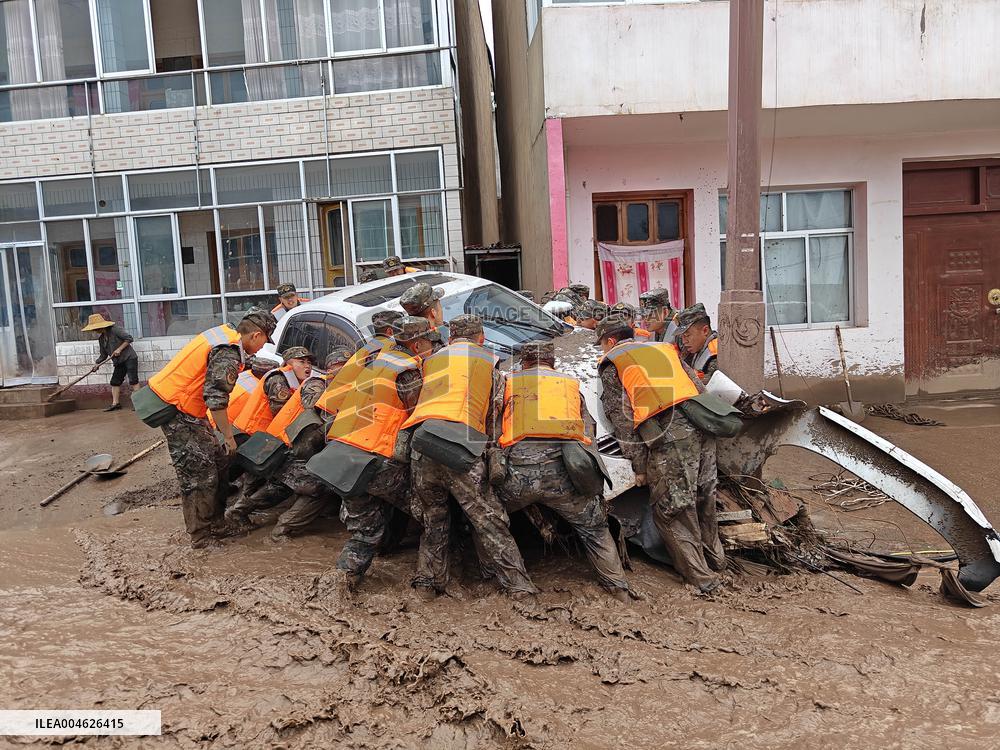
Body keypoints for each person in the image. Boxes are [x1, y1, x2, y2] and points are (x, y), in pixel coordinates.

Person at [403, 314, 539, 601]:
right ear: (480, 337)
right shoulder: (488, 360)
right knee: (489, 519)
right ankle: (519, 588)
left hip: (423, 443)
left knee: (433, 519)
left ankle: (427, 585)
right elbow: (495, 413)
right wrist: (491, 452)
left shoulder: (432, 360)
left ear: (451, 338)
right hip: (460, 443)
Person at [595, 316, 725, 592]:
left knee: (672, 510)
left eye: (601, 344)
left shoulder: (614, 362)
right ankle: (717, 561)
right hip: (702, 428)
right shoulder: (663, 349)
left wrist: (640, 466)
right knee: (704, 498)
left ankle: (703, 580)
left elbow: (624, 422)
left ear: (610, 341)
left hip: (671, 436)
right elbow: (698, 389)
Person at [497, 341, 633, 601]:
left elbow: (492, 431)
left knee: (490, 520)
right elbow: (588, 433)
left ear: (524, 363)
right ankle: (618, 588)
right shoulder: (569, 385)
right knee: (595, 529)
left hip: (518, 477)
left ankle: (517, 588)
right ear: (553, 363)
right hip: (564, 479)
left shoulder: (507, 384)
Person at [146, 308, 276, 548]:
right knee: (199, 475)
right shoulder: (229, 351)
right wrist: (228, 436)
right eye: (265, 341)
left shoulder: (226, 335)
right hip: (178, 411)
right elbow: (215, 398)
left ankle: (216, 523)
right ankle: (201, 537)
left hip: (188, 410)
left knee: (219, 462)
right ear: (256, 335)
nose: (261, 347)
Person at [326, 316, 436, 589]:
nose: (432, 349)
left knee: (365, 532)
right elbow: (417, 416)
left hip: (342, 456)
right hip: (375, 460)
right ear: (418, 343)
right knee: (433, 512)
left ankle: (341, 583)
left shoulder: (374, 362)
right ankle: (432, 580)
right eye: (430, 344)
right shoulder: (408, 370)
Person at [226, 347, 354, 541]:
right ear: (330, 369)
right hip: (282, 447)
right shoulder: (316, 385)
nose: (307, 366)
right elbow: (316, 406)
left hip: (286, 447)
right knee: (318, 488)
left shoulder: (329, 386)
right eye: (342, 367)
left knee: (281, 487)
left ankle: (237, 512)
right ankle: (282, 530)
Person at [314, 310, 403, 423]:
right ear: (390, 331)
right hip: (340, 413)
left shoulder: (371, 347)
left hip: (339, 407)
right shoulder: (379, 353)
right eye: (401, 329)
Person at [82, 313, 139, 412]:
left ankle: (139, 403)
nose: (96, 331)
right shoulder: (101, 339)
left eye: (96, 328)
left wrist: (119, 349)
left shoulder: (114, 330)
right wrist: (97, 364)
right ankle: (115, 404)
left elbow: (129, 338)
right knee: (115, 382)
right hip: (118, 361)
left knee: (133, 380)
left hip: (129, 358)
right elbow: (103, 355)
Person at [677, 303, 719, 380]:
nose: (684, 341)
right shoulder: (697, 348)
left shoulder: (715, 355)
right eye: (682, 337)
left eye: (687, 336)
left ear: (705, 331)